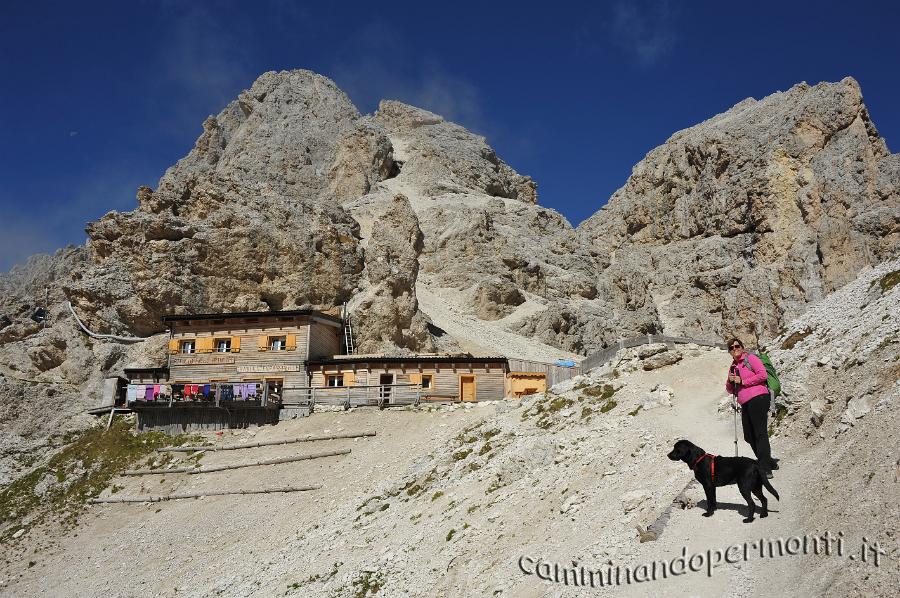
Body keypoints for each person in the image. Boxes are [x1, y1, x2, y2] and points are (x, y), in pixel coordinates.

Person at [725, 337, 777, 477]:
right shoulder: (733, 367)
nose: (735, 348)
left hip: (759, 398)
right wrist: (731, 381)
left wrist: (742, 381)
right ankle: (768, 461)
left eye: (737, 346)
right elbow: (730, 389)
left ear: (742, 347)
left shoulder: (751, 359)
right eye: (731, 347)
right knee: (749, 435)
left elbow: (762, 375)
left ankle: (765, 468)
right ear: (729, 351)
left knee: (760, 433)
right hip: (745, 402)